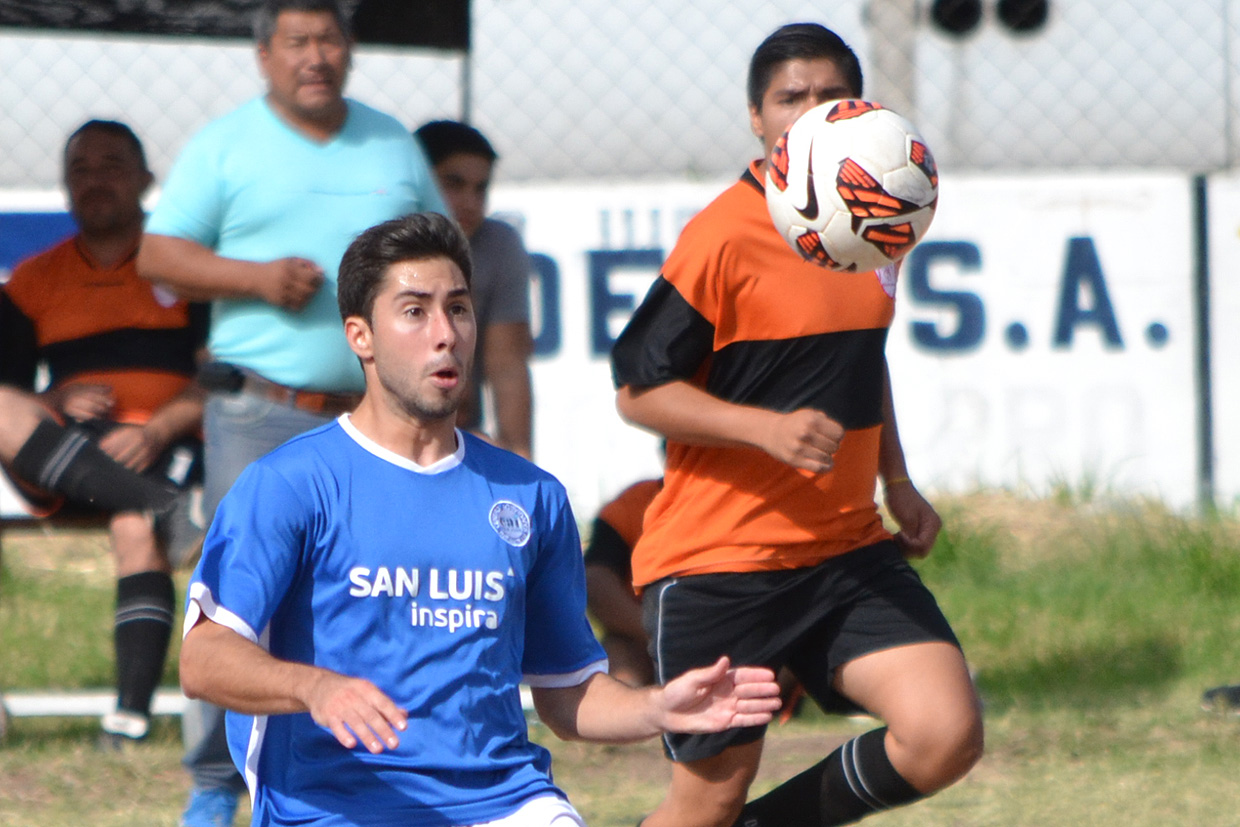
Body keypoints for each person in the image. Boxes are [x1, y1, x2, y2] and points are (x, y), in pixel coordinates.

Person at [178, 211, 782, 827]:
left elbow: (565, 689)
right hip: (334, 806)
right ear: (360, 336)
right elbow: (203, 660)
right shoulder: (290, 485)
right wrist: (316, 688)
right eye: (414, 311)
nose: (445, 333)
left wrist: (657, 707)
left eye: (459, 308)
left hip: (503, 800)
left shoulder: (530, 494)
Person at [609, 23, 984, 827]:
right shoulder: (721, 234)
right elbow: (638, 390)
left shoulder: (877, 224)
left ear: (863, 111)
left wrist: (897, 479)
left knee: (944, 733)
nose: (810, 111)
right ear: (757, 117)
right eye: (791, 97)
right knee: (706, 800)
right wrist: (763, 429)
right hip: (720, 562)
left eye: (829, 96)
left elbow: (862, 361)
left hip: (845, 549)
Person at [135, 2, 447, 822]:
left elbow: (442, 263)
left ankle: (386, 759)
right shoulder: (225, 144)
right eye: (299, 42)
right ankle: (213, 785)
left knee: (390, 591)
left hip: (385, 421)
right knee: (240, 602)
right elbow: (157, 255)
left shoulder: (391, 142)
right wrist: (256, 278)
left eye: (331, 39)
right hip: (263, 414)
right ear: (265, 55)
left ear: (351, 49)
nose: (317, 57)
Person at [0, 119, 207, 748]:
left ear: (146, 180)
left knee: (129, 522)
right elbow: (14, 393)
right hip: (69, 455)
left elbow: (222, 381)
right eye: (81, 169)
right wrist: (53, 397)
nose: (96, 180)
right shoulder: (33, 280)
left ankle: (128, 718)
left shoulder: (186, 266)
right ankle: (160, 506)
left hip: (170, 444)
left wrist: (160, 427)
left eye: (113, 165)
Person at [413, 120, 534, 458]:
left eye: (480, 189)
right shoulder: (379, 246)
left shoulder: (498, 244)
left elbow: (508, 366)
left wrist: (519, 460)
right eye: (454, 184)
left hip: (460, 433)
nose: (469, 201)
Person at [584, 476, 664, 687]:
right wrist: (656, 632)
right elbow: (596, 582)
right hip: (640, 638)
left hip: (722, 635)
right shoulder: (638, 501)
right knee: (620, 667)